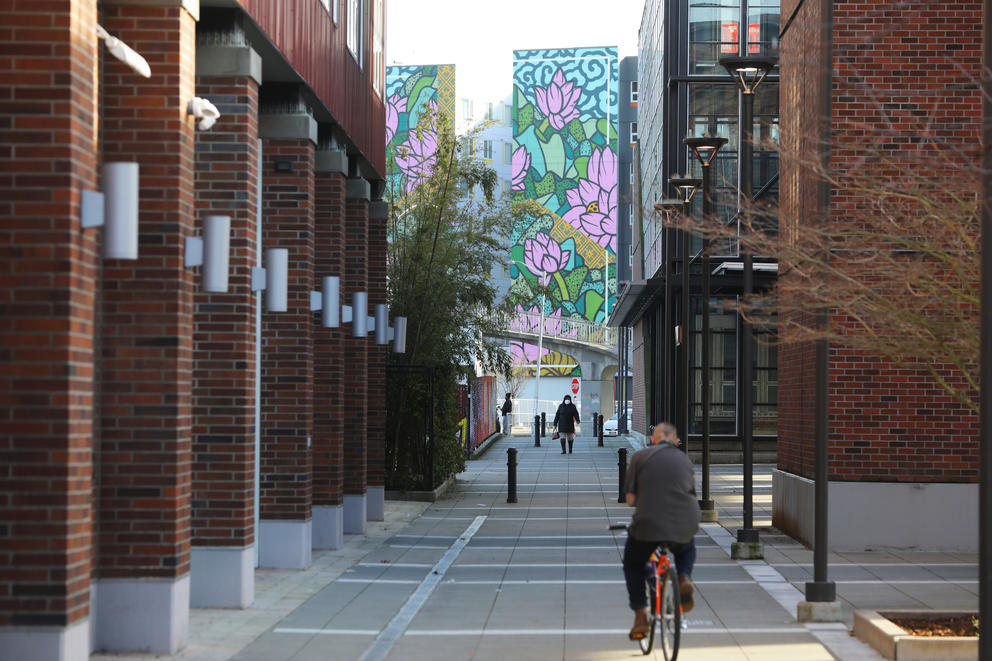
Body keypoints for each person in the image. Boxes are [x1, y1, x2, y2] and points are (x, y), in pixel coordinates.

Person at [622, 422, 701, 640]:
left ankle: (640, 616)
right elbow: (689, 492)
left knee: (632, 563)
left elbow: (630, 500)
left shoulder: (640, 457)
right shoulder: (684, 460)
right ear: (675, 441)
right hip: (685, 521)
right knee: (686, 548)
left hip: (649, 524)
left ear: (653, 439)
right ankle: (684, 577)